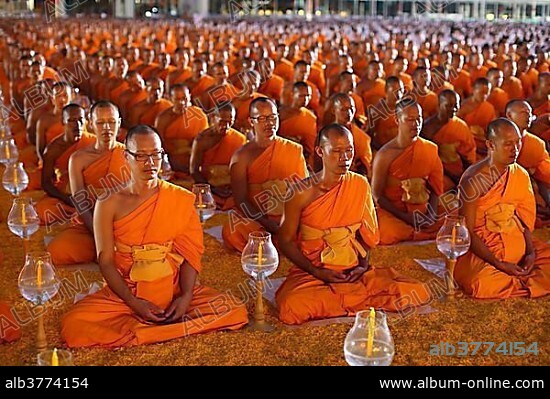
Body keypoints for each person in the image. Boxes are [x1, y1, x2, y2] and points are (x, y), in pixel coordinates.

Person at [61, 125, 248, 348]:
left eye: (155, 155)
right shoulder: (108, 202)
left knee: (235, 310)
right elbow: (106, 261)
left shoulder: (180, 198)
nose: (150, 163)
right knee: (74, 325)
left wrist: (186, 296)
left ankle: (143, 332)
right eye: (141, 156)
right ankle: (159, 329)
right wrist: (133, 302)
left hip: (172, 288)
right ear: (126, 156)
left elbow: (190, 254)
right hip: (126, 292)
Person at [275, 124, 430, 325]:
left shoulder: (359, 183)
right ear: (320, 151)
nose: (344, 158)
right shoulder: (300, 192)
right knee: (292, 307)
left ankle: (347, 300)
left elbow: (365, 235)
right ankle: (356, 301)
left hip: (352, 271)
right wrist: (316, 271)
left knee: (417, 291)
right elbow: (285, 240)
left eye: (349, 151)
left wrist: (362, 266)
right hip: (313, 271)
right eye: (337, 151)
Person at [455, 118, 550, 299]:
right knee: (480, 284)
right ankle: (512, 275)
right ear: (490, 145)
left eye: (517, 143)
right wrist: (499, 264)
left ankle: (516, 271)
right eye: (508, 144)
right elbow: (467, 232)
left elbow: (523, 220)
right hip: (484, 251)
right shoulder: (473, 180)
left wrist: (530, 253)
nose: (515, 150)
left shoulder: (520, 174)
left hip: (515, 241)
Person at [46, 101, 129, 266]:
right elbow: (81, 203)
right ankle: (112, 253)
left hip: (124, 223)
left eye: (112, 122)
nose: (106, 128)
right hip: (90, 223)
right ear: (91, 124)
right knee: (57, 250)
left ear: (119, 123)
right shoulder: (78, 159)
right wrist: (100, 235)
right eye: (100, 123)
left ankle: (115, 253)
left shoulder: (129, 154)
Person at [221, 98, 308, 252]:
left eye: (273, 117)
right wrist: (269, 224)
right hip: (258, 219)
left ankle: (271, 245)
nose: (269, 123)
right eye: (261, 118)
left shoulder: (293, 150)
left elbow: (303, 193)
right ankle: (276, 244)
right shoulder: (242, 157)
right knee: (232, 229)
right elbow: (240, 200)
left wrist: (289, 222)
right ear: (251, 121)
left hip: (287, 217)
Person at [372, 100, 444, 245]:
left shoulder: (430, 149)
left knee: (455, 217)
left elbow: (435, 189)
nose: (416, 124)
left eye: (419, 119)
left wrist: (430, 215)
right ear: (397, 120)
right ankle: (415, 232)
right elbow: (377, 195)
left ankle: (420, 230)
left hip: (422, 209)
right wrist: (406, 217)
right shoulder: (385, 154)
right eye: (410, 119)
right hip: (394, 212)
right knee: (386, 231)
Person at [35, 104, 96, 224]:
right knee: (45, 209)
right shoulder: (53, 149)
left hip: (93, 191)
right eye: (71, 121)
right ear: (63, 122)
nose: (77, 125)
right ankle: (80, 215)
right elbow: (46, 183)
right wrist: (67, 199)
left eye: (80, 120)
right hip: (68, 192)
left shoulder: (94, 142)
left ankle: (84, 215)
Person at [189, 103, 246, 208]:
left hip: (231, 189)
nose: (226, 127)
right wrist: (212, 189)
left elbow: (242, 170)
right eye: (222, 122)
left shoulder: (239, 139)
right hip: (209, 187)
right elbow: (194, 170)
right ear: (212, 118)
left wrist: (234, 187)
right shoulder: (202, 140)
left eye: (230, 122)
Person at [506, 100, 550, 223]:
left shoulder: (536, 144)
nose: (528, 116)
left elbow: (546, 174)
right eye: (523, 112)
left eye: (530, 113)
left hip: (527, 188)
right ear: (509, 115)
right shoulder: (498, 137)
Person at [423, 90, 476, 190]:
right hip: (439, 173)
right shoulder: (428, 128)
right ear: (439, 105)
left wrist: (466, 175)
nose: (454, 109)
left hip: (459, 171)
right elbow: (430, 160)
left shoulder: (461, 126)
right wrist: (452, 177)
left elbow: (468, 154)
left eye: (456, 105)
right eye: (449, 105)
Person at [155, 84, 208, 176]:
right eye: (177, 99)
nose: (182, 102)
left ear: (190, 97)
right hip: (171, 162)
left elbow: (204, 141)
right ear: (170, 99)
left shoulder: (199, 115)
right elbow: (159, 145)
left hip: (194, 159)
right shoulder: (163, 119)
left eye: (185, 98)